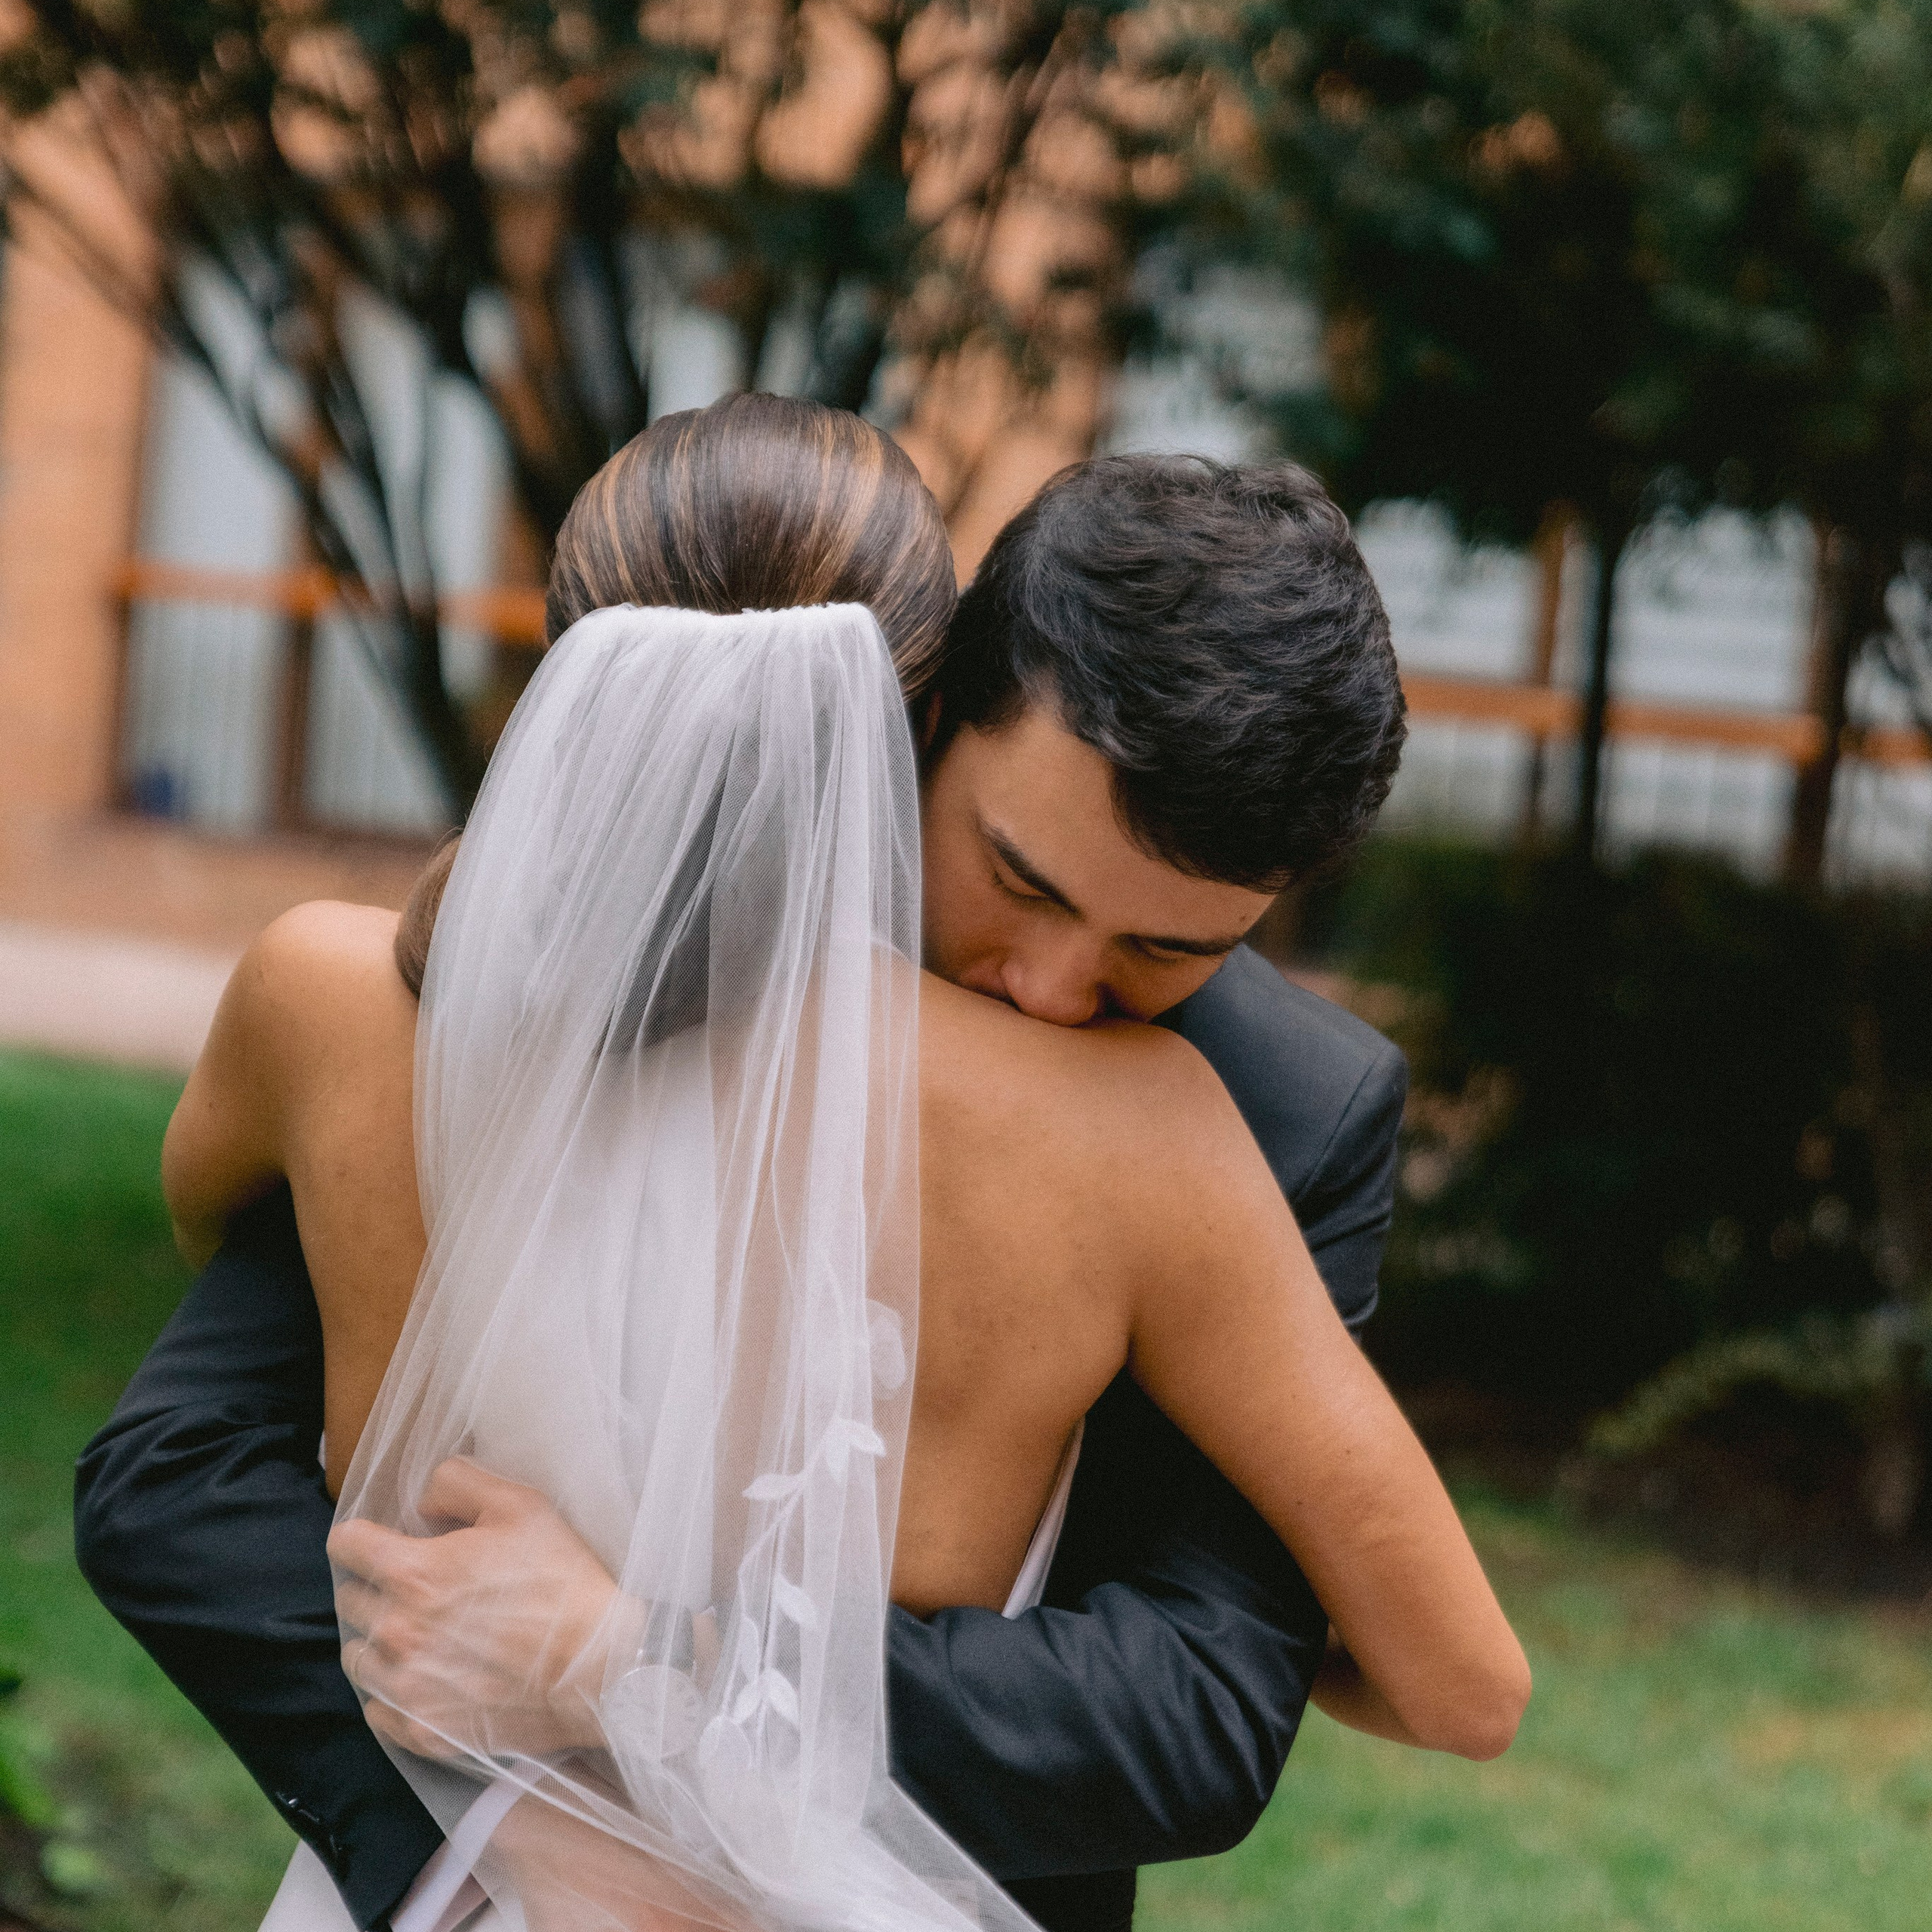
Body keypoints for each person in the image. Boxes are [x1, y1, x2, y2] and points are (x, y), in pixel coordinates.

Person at [75, 397, 1460, 1932]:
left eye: (1166, 947)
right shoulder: (562, 960)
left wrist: (638, 1659)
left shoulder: (1264, 1111)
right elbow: (183, 1473)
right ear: (920, 711)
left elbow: (1187, 1706)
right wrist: (485, 1841)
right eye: (1015, 877)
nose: (1059, 989)